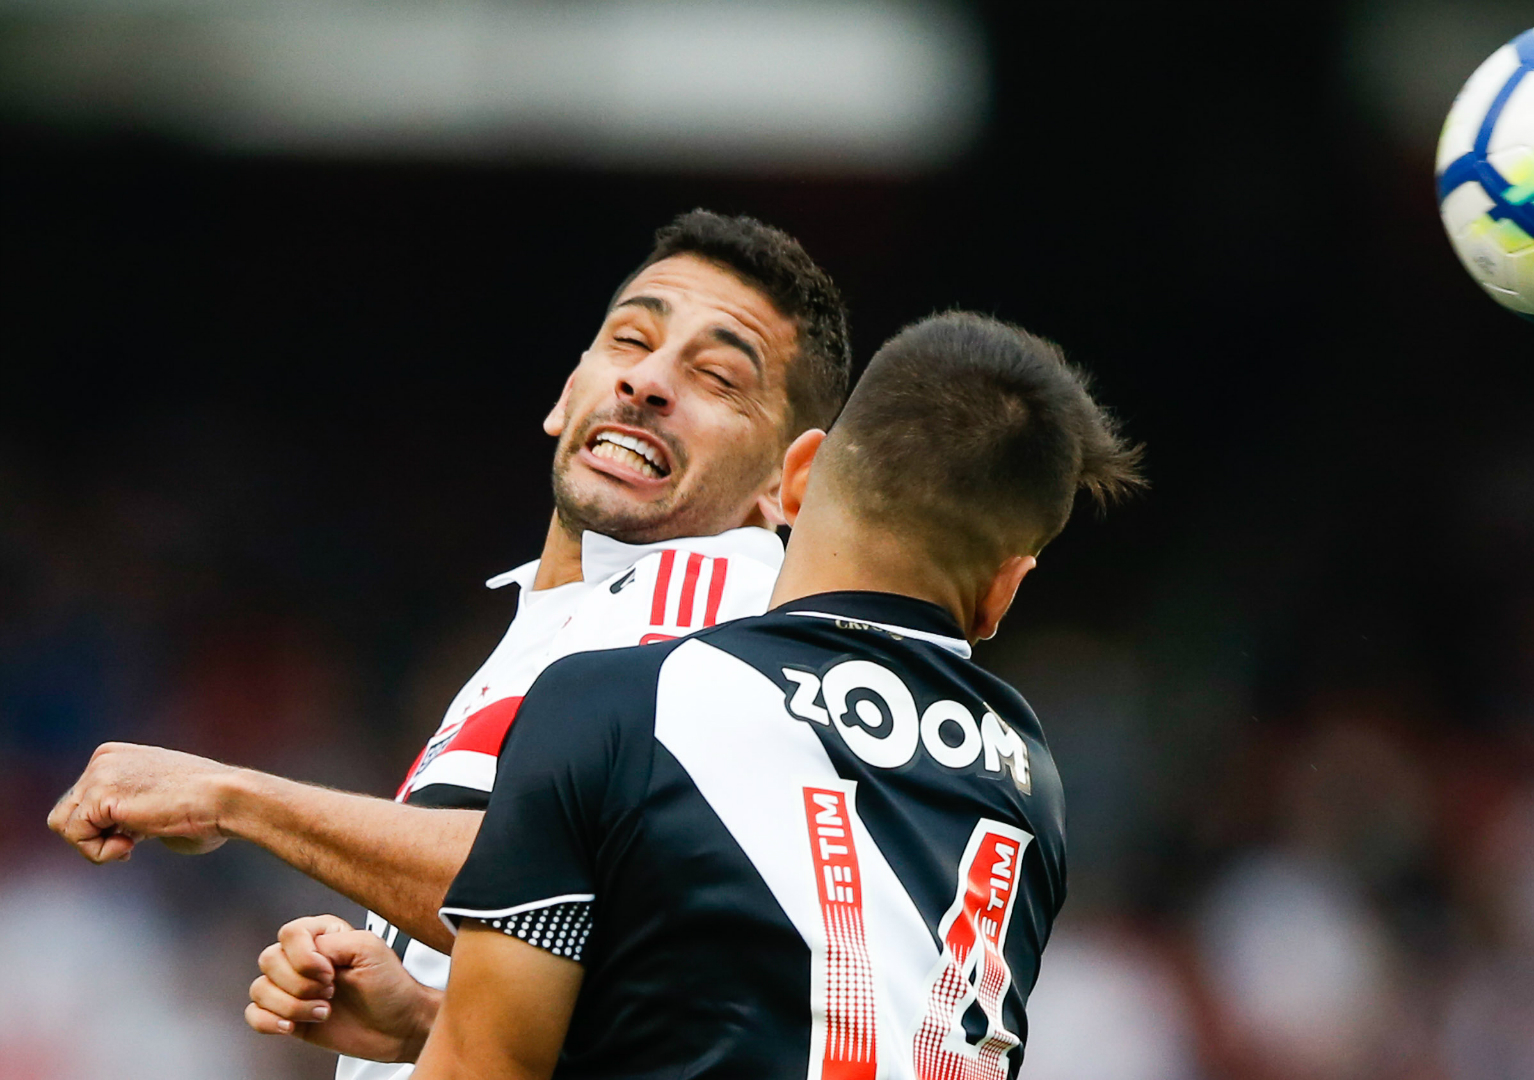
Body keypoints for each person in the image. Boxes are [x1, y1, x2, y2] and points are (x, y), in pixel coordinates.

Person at [44, 210, 853, 1080]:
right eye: (629, 340)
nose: (649, 382)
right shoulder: (576, 614)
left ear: (789, 481)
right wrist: (426, 1024)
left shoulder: (706, 623)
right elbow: (632, 968)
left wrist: (232, 798)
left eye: (718, 377)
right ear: (568, 389)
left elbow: (553, 893)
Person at [246, 311, 1144, 1079]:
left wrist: (441, 1035)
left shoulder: (625, 701)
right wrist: (419, 1022)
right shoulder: (1031, 787)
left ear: (798, 475)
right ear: (1005, 589)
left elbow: (490, 1067)